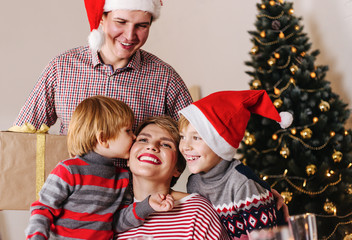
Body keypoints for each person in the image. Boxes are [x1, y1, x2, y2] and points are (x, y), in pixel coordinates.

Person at [14, 0, 192, 135]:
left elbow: (196, 140)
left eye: (141, 26)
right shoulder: (61, 68)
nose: (130, 35)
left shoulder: (166, 78)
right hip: (70, 184)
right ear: (101, 18)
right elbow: (23, 136)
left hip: (134, 185)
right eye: (120, 22)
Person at [25, 96, 175, 240]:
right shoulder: (69, 170)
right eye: (128, 131)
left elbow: (117, 222)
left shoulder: (122, 178)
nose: (134, 137)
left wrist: (147, 205)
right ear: (103, 139)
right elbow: (44, 209)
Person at [178, 90, 293, 239]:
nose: (185, 146)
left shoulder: (243, 185)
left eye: (196, 138)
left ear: (220, 144)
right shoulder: (194, 183)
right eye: (182, 136)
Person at [115, 116, 230, 240]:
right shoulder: (110, 212)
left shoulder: (197, 212)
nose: (152, 146)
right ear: (128, 159)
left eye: (166, 145)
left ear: (178, 168)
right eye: (143, 140)